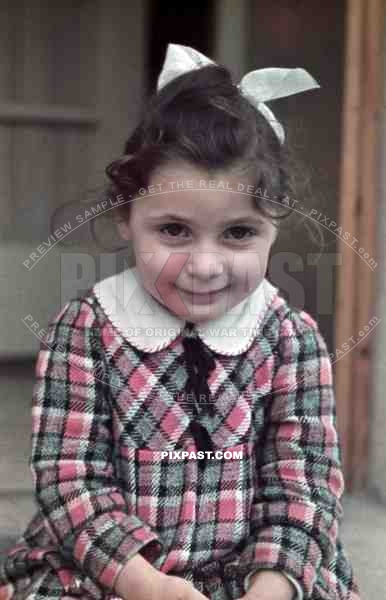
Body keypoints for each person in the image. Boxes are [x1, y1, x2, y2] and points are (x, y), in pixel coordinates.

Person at [0, 43, 361, 600]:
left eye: (238, 233)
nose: (205, 266)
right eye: (173, 231)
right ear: (126, 217)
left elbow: (304, 486)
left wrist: (271, 587)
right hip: (116, 571)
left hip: (255, 573)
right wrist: (146, 585)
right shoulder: (85, 331)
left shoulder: (293, 339)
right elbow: (72, 482)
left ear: (275, 225)